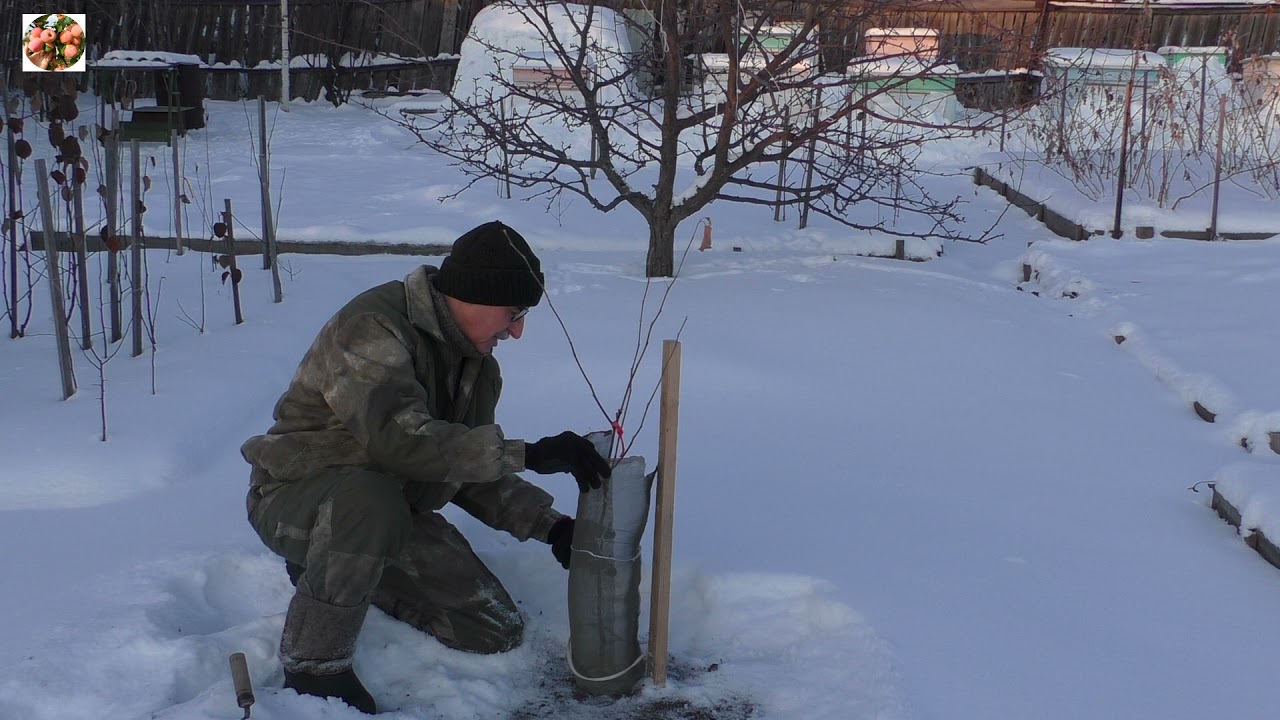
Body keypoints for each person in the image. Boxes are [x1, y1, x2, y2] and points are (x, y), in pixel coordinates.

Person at [240, 220, 612, 714]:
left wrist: (551, 526)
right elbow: (403, 441)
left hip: (388, 514)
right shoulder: (371, 329)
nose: (518, 331)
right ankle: (315, 663)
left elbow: (462, 462)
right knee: (368, 501)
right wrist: (531, 453)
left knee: (491, 629)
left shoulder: (477, 366)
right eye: (515, 313)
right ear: (475, 297)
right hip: (299, 499)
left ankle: (341, 567)